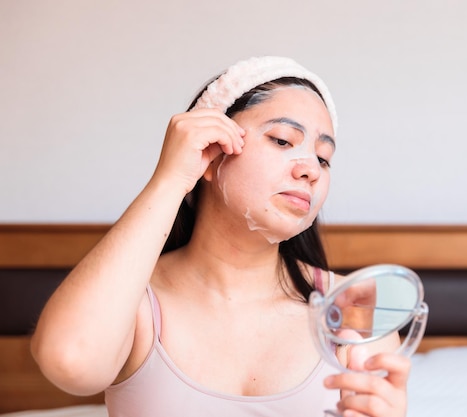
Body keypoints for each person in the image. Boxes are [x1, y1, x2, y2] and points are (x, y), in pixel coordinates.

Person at [31, 56, 412, 417]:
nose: (310, 169)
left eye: (324, 158)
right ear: (212, 155)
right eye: (282, 140)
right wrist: (171, 179)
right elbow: (70, 361)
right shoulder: (136, 305)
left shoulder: (351, 312)